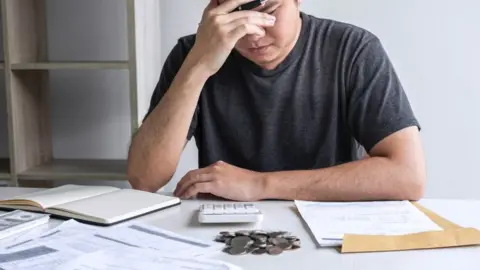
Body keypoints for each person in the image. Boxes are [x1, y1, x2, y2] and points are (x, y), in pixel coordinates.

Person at [127, 0, 426, 202]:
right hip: (226, 237)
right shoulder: (193, 54)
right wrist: (199, 66)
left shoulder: (354, 50)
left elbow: (408, 176)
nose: (254, 34)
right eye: (237, 15)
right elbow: (144, 178)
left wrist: (260, 184)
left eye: (269, 10)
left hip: (327, 228)